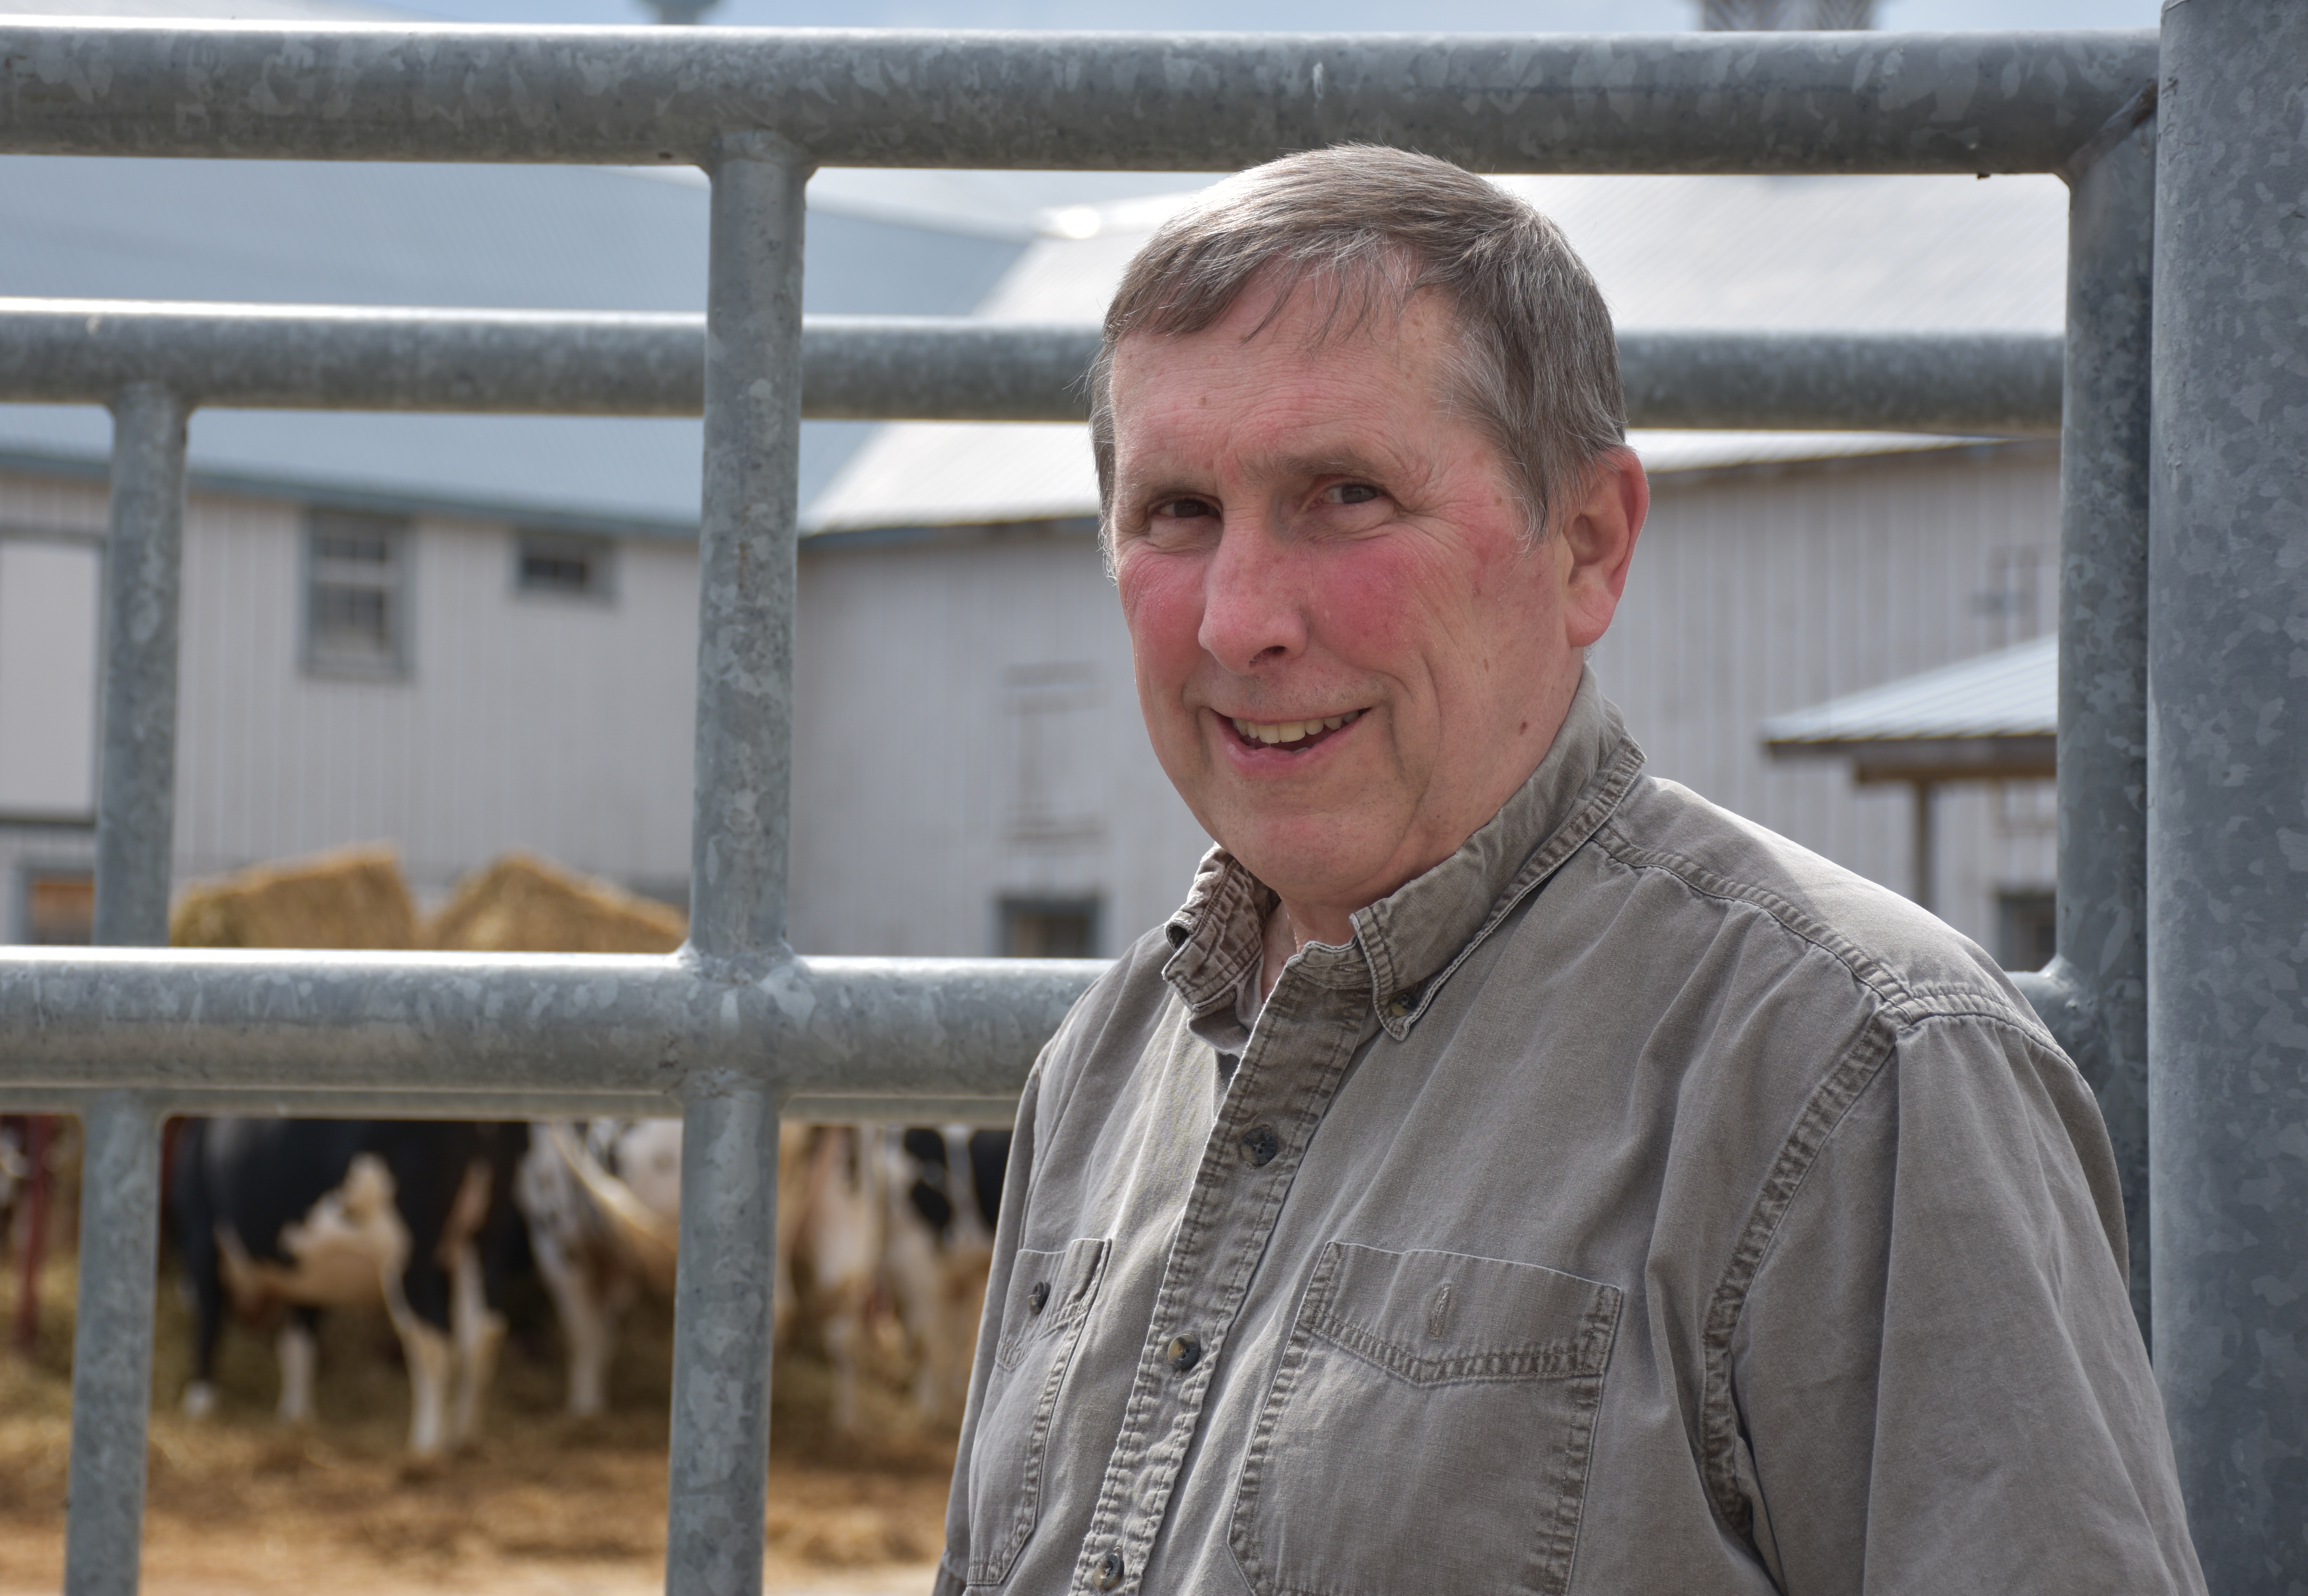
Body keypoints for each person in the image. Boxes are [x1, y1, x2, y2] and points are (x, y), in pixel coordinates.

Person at [935, 145, 2199, 1596]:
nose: (1237, 622)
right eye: (1177, 513)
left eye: (1345, 494)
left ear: (1588, 544)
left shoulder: (1855, 1069)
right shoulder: (1104, 1063)